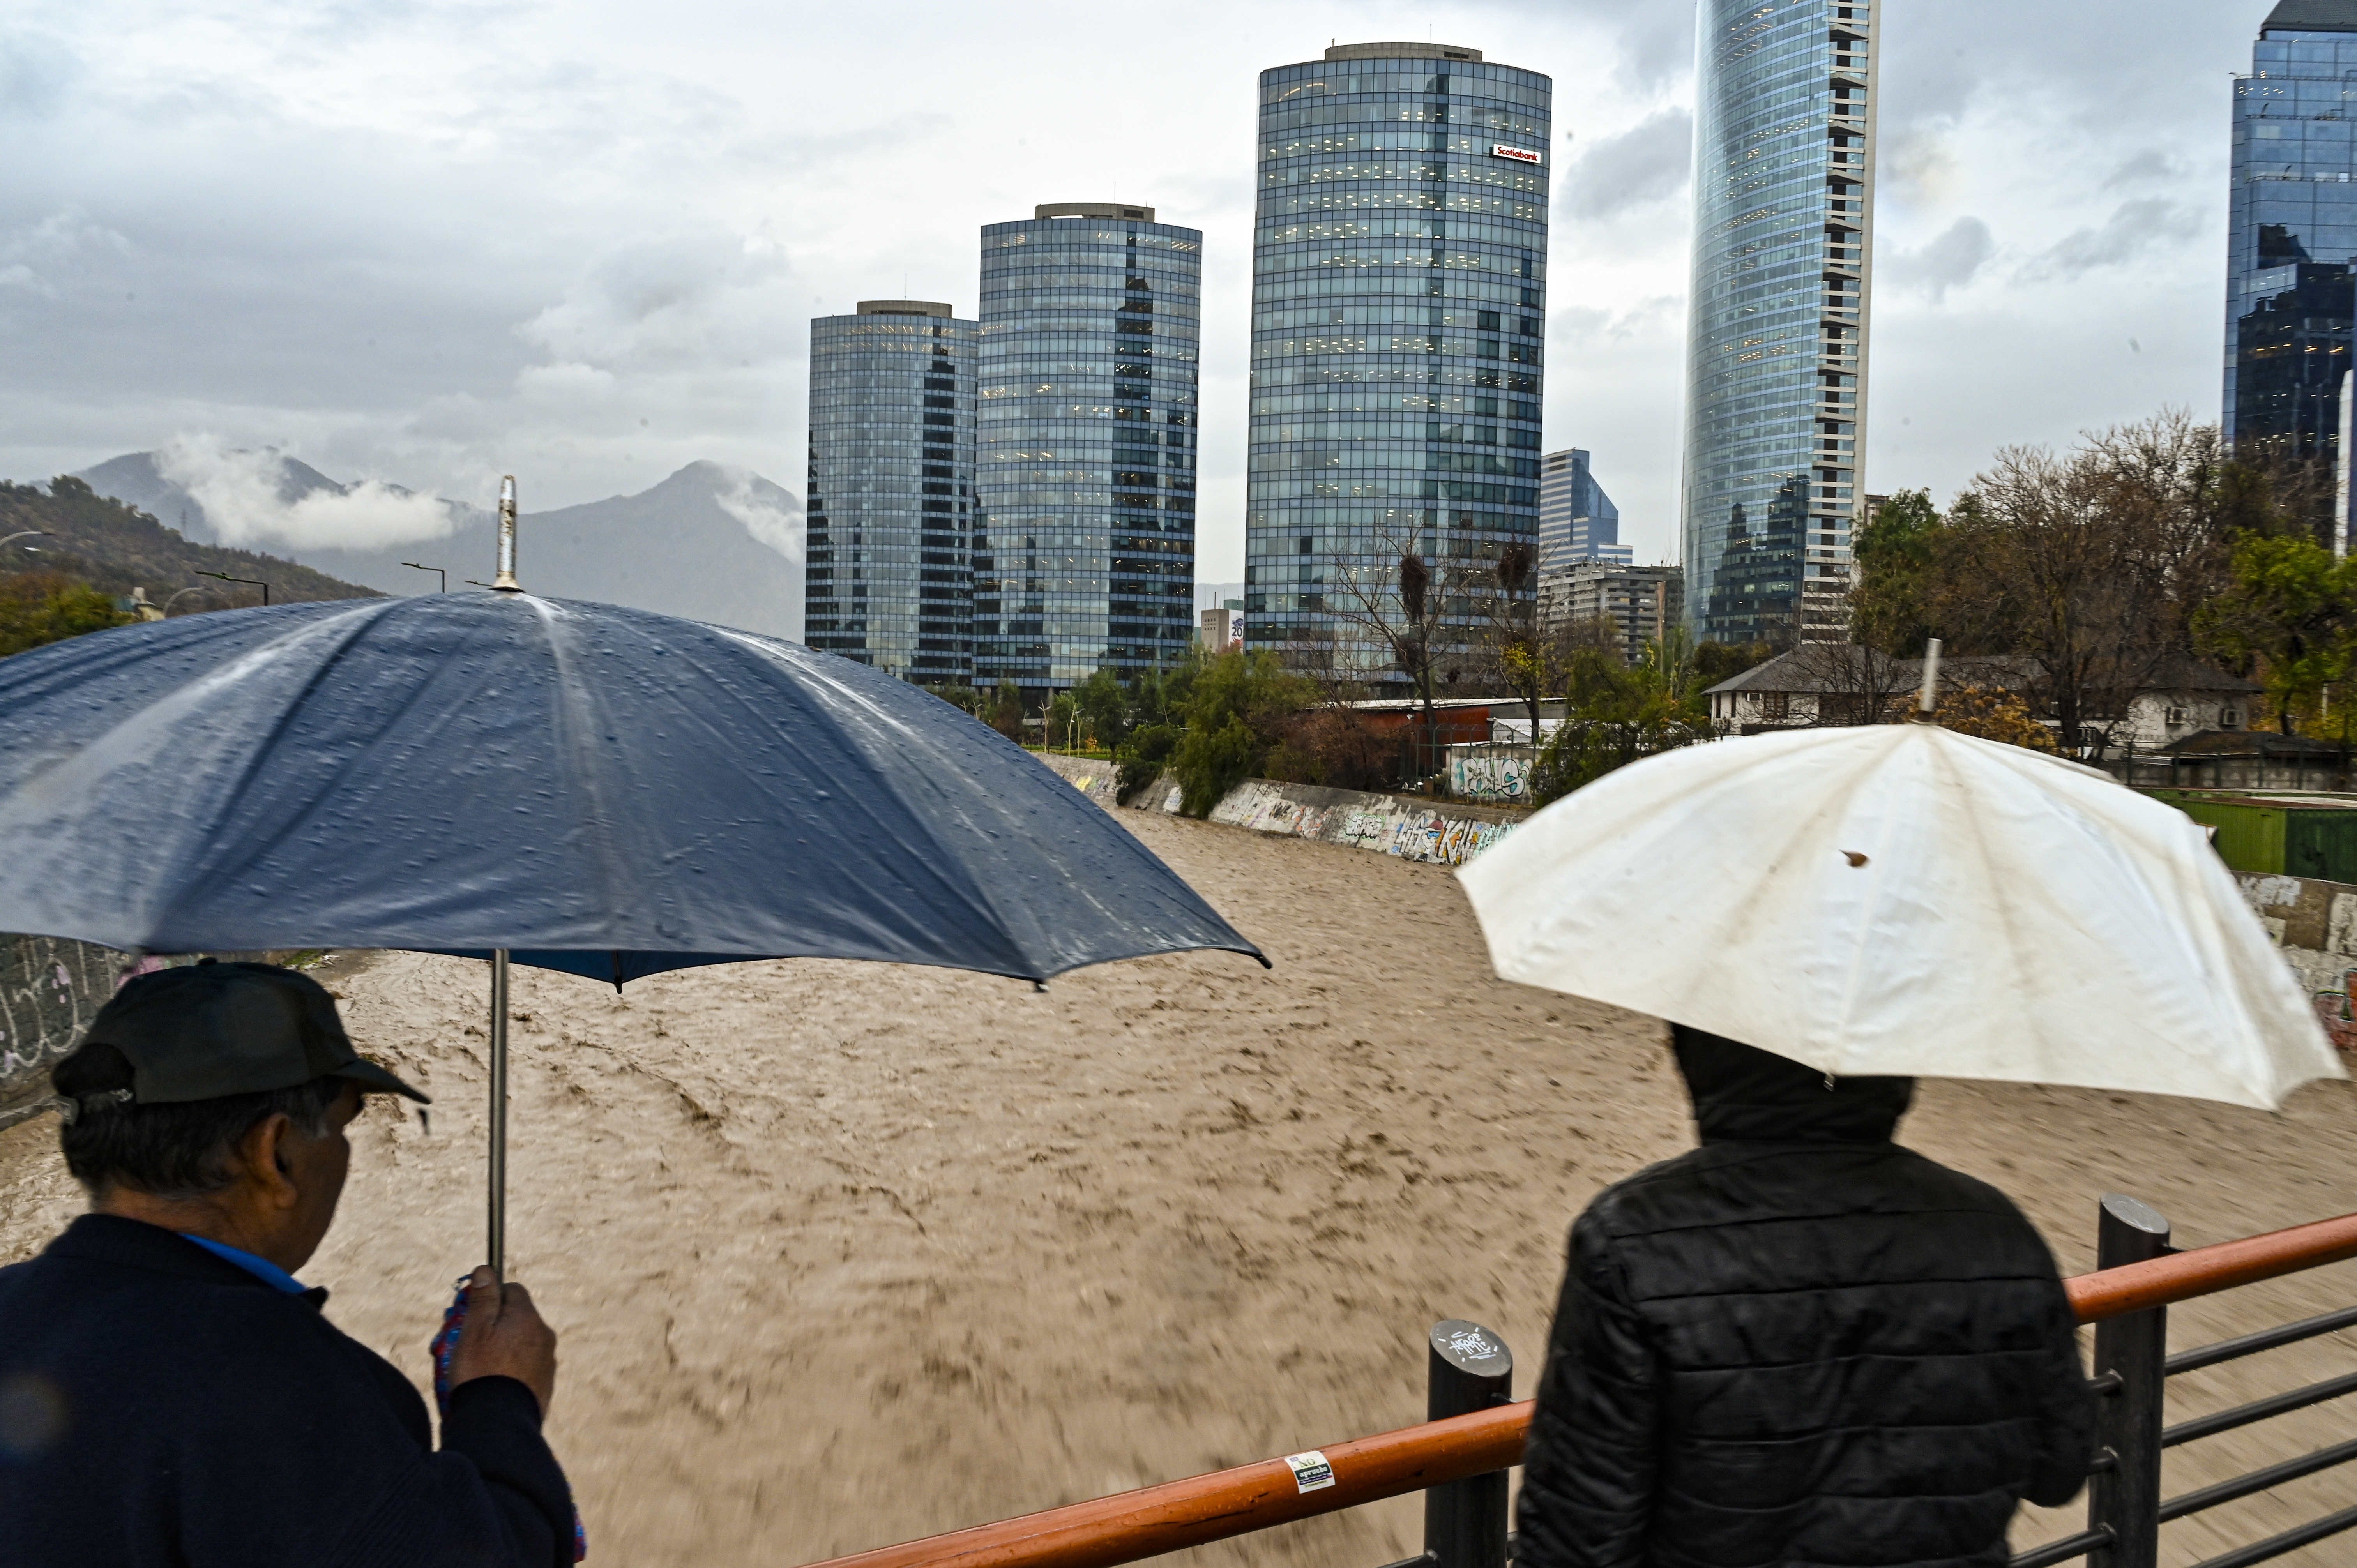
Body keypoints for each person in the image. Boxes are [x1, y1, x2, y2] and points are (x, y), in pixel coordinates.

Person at [0, 961, 577, 1567]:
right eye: (341, 1126)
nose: (345, 1152)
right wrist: (498, 1399)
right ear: (274, 1154)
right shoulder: (272, 1377)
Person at [1517, 1025, 2095, 1568]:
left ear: (1704, 1059)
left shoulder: (1629, 1240)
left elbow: (1577, 1537)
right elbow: (2060, 1471)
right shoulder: (2000, 1234)